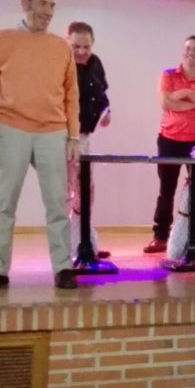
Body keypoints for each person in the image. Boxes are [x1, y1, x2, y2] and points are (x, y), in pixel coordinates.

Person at [0, 0, 80, 291]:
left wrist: (73, 137)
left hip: (53, 131)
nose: (48, 11)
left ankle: (63, 267)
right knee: (4, 202)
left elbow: (72, 95)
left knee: (57, 203)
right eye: (42, 3)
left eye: (52, 5)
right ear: (25, 3)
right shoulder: (0, 39)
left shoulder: (62, 47)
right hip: (10, 127)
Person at [143, 36, 195, 255]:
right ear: (182, 51)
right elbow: (166, 103)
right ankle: (160, 237)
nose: (191, 52)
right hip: (169, 139)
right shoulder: (168, 75)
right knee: (166, 190)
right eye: (188, 48)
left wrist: (185, 94)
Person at [66, 21, 111, 261]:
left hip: (85, 136)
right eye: (76, 46)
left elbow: (102, 95)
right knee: (66, 192)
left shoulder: (95, 63)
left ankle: (87, 242)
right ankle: (69, 247)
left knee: (86, 191)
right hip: (63, 136)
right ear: (67, 42)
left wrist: (106, 111)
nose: (82, 52)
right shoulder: (60, 65)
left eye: (86, 46)